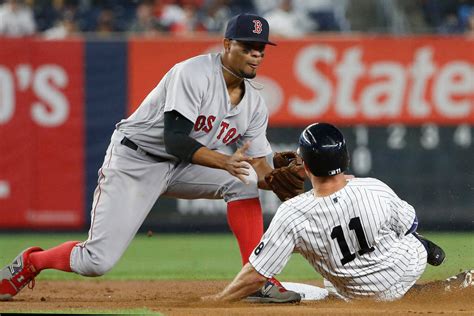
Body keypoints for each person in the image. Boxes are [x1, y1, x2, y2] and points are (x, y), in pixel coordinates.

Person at [0, 13, 302, 303]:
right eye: (246, 46)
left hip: (183, 166)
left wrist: (283, 174)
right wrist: (224, 162)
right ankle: (31, 262)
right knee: (95, 262)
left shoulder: (255, 105)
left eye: (260, 48)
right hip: (135, 160)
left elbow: (261, 170)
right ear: (226, 45)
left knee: (245, 180)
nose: (255, 54)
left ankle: (255, 279)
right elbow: (174, 140)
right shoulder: (193, 74)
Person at [204, 122, 473, 302]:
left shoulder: (292, 214)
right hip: (405, 267)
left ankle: (416, 256)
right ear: (345, 159)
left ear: (305, 167)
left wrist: (218, 301)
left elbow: (256, 274)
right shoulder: (374, 188)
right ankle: (422, 246)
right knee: (402, 229)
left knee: (323, 264)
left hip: (358, 295)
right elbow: (410, 222)